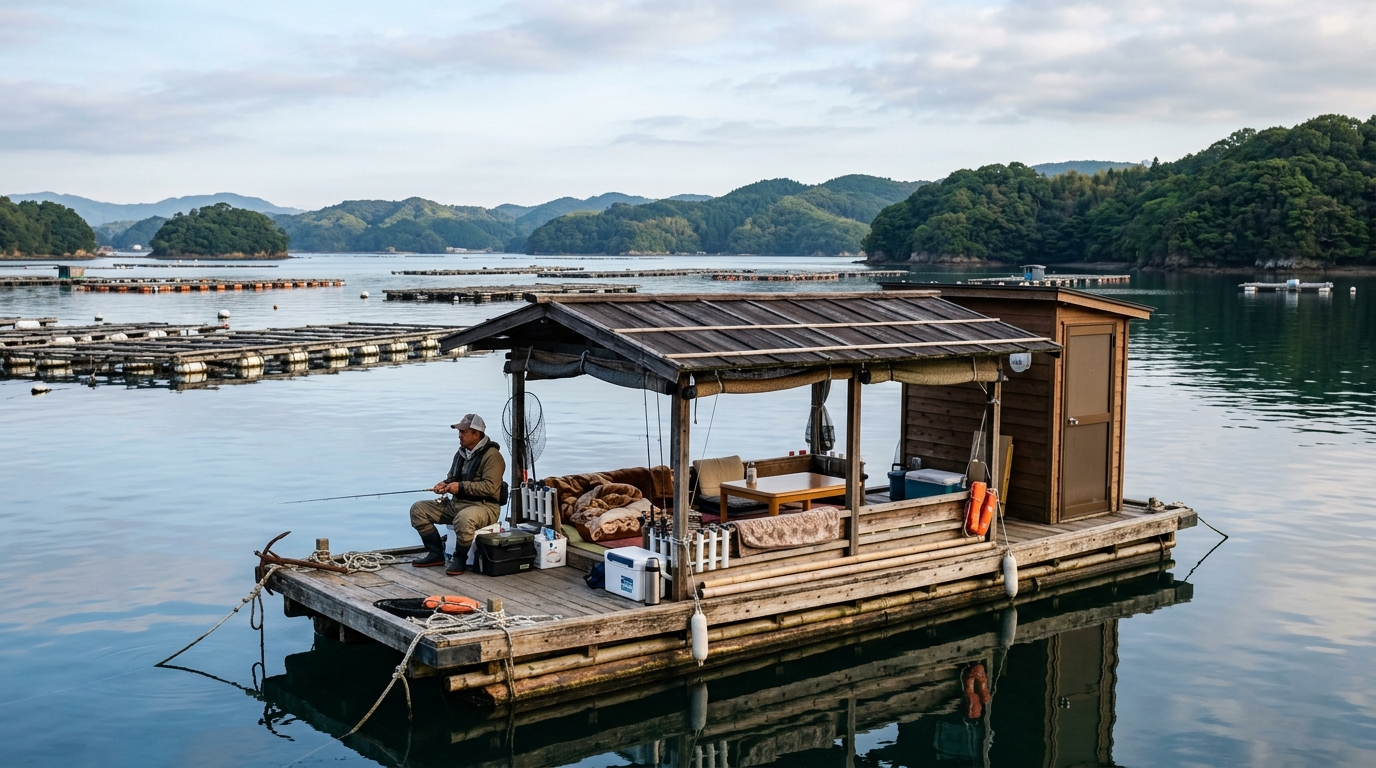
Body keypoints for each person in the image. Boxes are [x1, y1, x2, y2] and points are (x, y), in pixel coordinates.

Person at [409, 413, 506, 575]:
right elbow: (452, 478)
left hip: (485, 507)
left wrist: (459, 487)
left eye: (463, 432)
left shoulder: (493, 456)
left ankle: (460, 558)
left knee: (464, 518)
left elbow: (490, 487)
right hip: (457, 504)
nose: (459, 435)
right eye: (459, 432)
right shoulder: (461, 453)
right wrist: (444, 485)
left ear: (476, 434)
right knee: (418, 509)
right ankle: (435, 554)